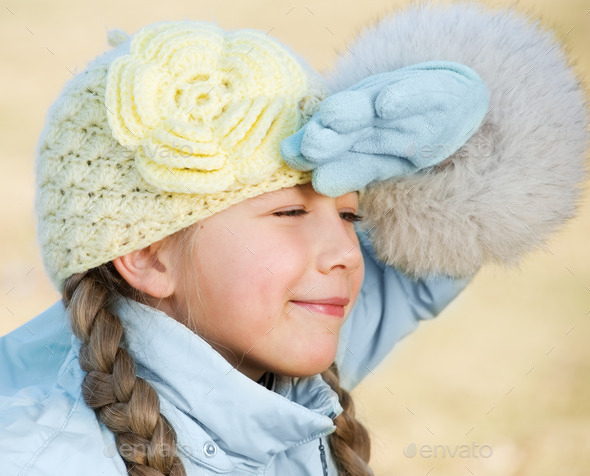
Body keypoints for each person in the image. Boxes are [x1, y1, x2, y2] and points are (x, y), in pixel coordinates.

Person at [1, 3, 587, 475]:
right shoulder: (42, 459)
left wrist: (460, 125)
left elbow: (459, 231)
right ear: (147, 253)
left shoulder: (264, 348)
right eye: (288, 212)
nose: (344, 255)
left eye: (349, 216)